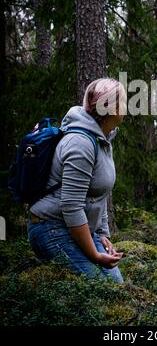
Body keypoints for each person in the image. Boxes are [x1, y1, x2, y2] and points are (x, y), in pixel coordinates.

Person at [27, 78, 127, 283]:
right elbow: (71, 206)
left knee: (117, 286)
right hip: (50, 227)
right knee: (103, 289)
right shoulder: (80, 143)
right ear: (112, 107)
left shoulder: (103, 140)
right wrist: (94, 255)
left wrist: (101, 234)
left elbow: (99, 194)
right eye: (124, 101)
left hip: (78, 228)